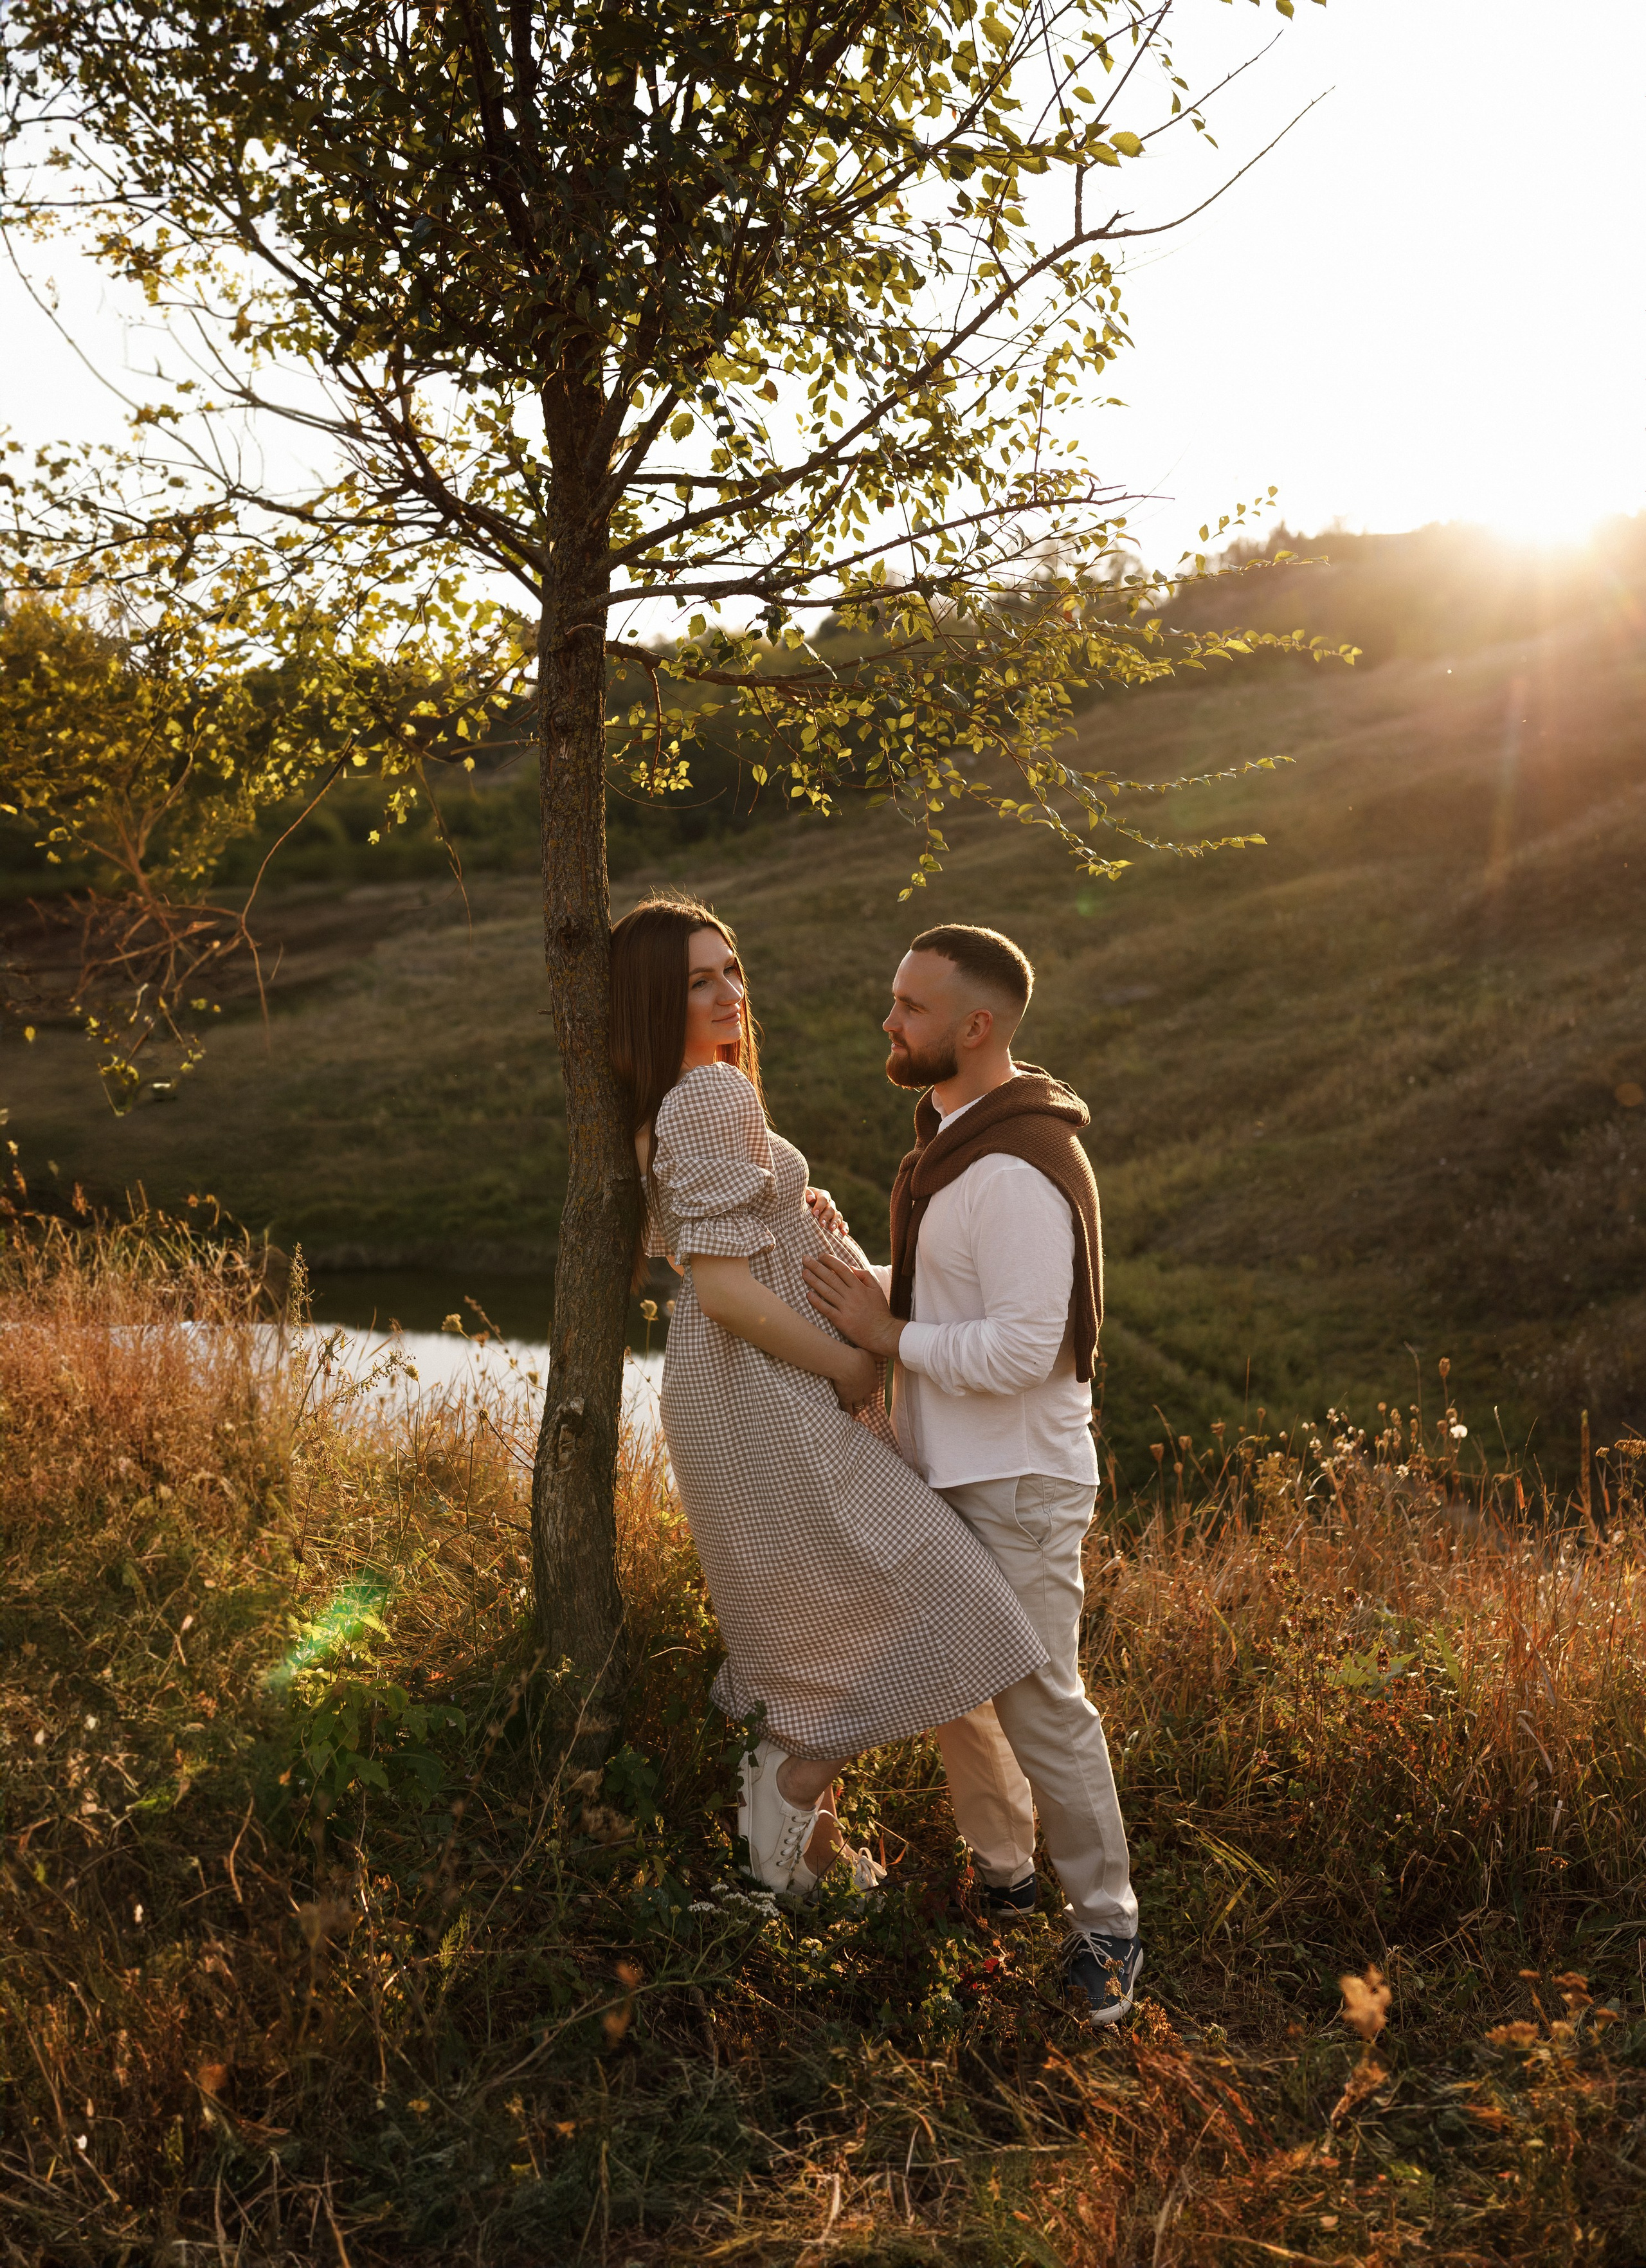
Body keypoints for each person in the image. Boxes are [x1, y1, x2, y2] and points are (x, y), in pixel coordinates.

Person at [609, 895, 1047, 1903]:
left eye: (732, 971)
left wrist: (795, 1217)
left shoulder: (679, 1097)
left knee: (830, 1611)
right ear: (653, 998)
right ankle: (793, 1788)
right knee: (956, 1599)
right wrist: (853, 1369)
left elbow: (710, 1244)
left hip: (735, 1391)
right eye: (698, 981)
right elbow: (715, 1282)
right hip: (768, 1389)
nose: (730, 995)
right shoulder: (710, 1096)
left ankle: (804, 1862)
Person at [802, 923, 1143, 2028]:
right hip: (955, 1470)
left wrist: (886, 1334)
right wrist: (865, 1272)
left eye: (910, 1008)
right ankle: (1004, 1882)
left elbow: (1021, 1347)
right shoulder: (961, 1144)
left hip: (1021, 1483)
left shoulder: (1014, 1168)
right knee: (962, 1690)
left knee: (1043, 1705)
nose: (889, 1023)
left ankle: (1107, 1929)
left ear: (975, 1027)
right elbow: (956, 1295)